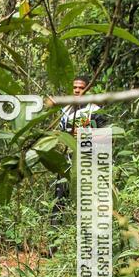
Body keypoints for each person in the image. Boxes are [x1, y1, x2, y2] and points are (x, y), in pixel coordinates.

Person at [51, 74, 107, 226]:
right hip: (68, 159)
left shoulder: (95, 111)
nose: (77, 91)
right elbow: (60, 134)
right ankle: (53, 241)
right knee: (59, 197)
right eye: (74, 87)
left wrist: (86, 135)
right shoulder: (65, 110)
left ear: (88, 89)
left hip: (89, 160)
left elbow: (106, 137)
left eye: (81, 88)